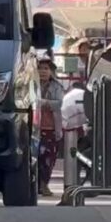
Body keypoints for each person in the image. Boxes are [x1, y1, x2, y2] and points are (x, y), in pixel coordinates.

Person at [37, 54, 64, 197]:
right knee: (35, 158)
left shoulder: (57, 86)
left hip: (51, 129)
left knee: (49, 160)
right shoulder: (31, 85)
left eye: (46, 68)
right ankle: (36, 185)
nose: (43, 71)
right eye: (40, 68)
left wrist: (44, 103)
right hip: (34, 129)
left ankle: (44, 185)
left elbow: (59, 104)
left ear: (51, 71)